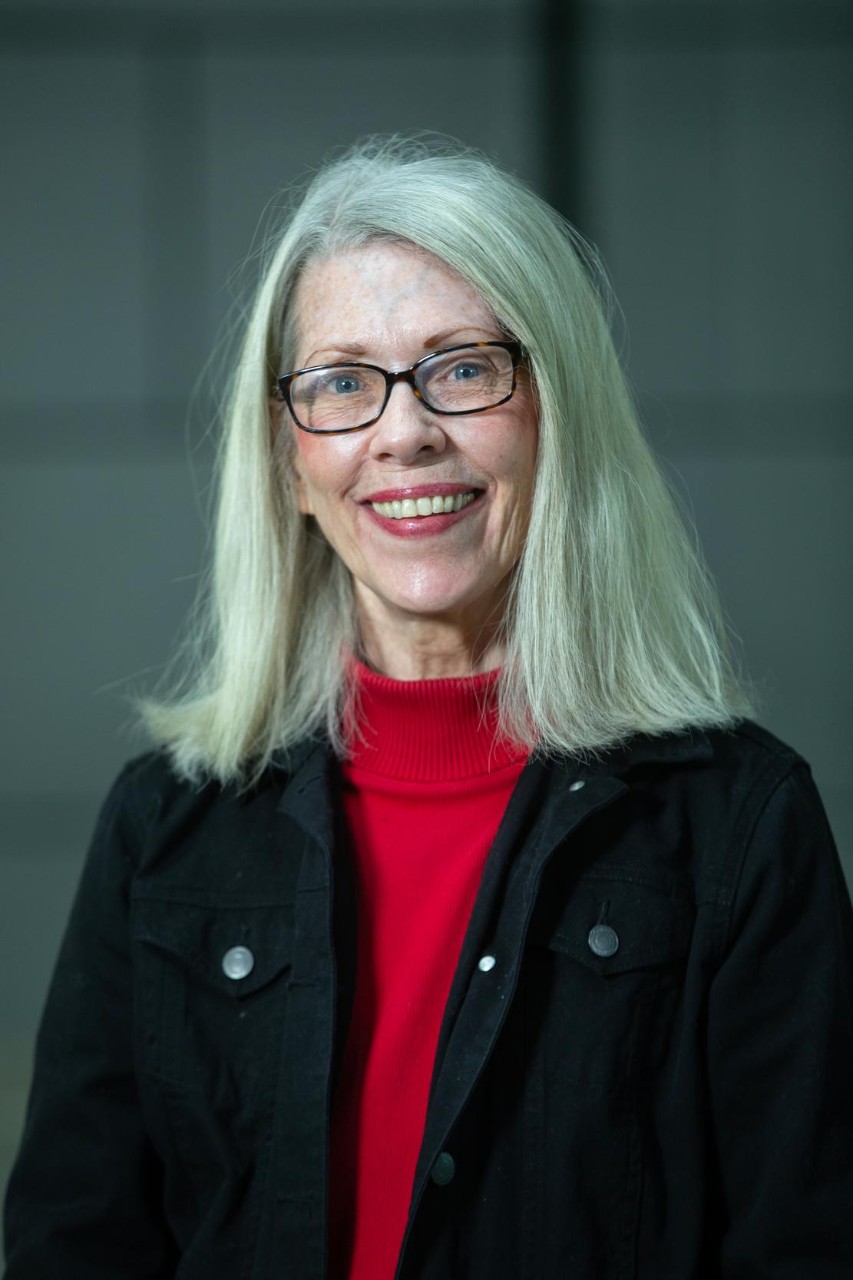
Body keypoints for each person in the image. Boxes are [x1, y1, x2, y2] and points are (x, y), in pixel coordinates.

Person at [4, 136, 853, 1280]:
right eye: (342, 382)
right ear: (289, 460)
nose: (404, 431)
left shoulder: (740, 826)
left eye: (461, 367)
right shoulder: (166, 825)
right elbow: (74, 1241)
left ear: (558, 411)